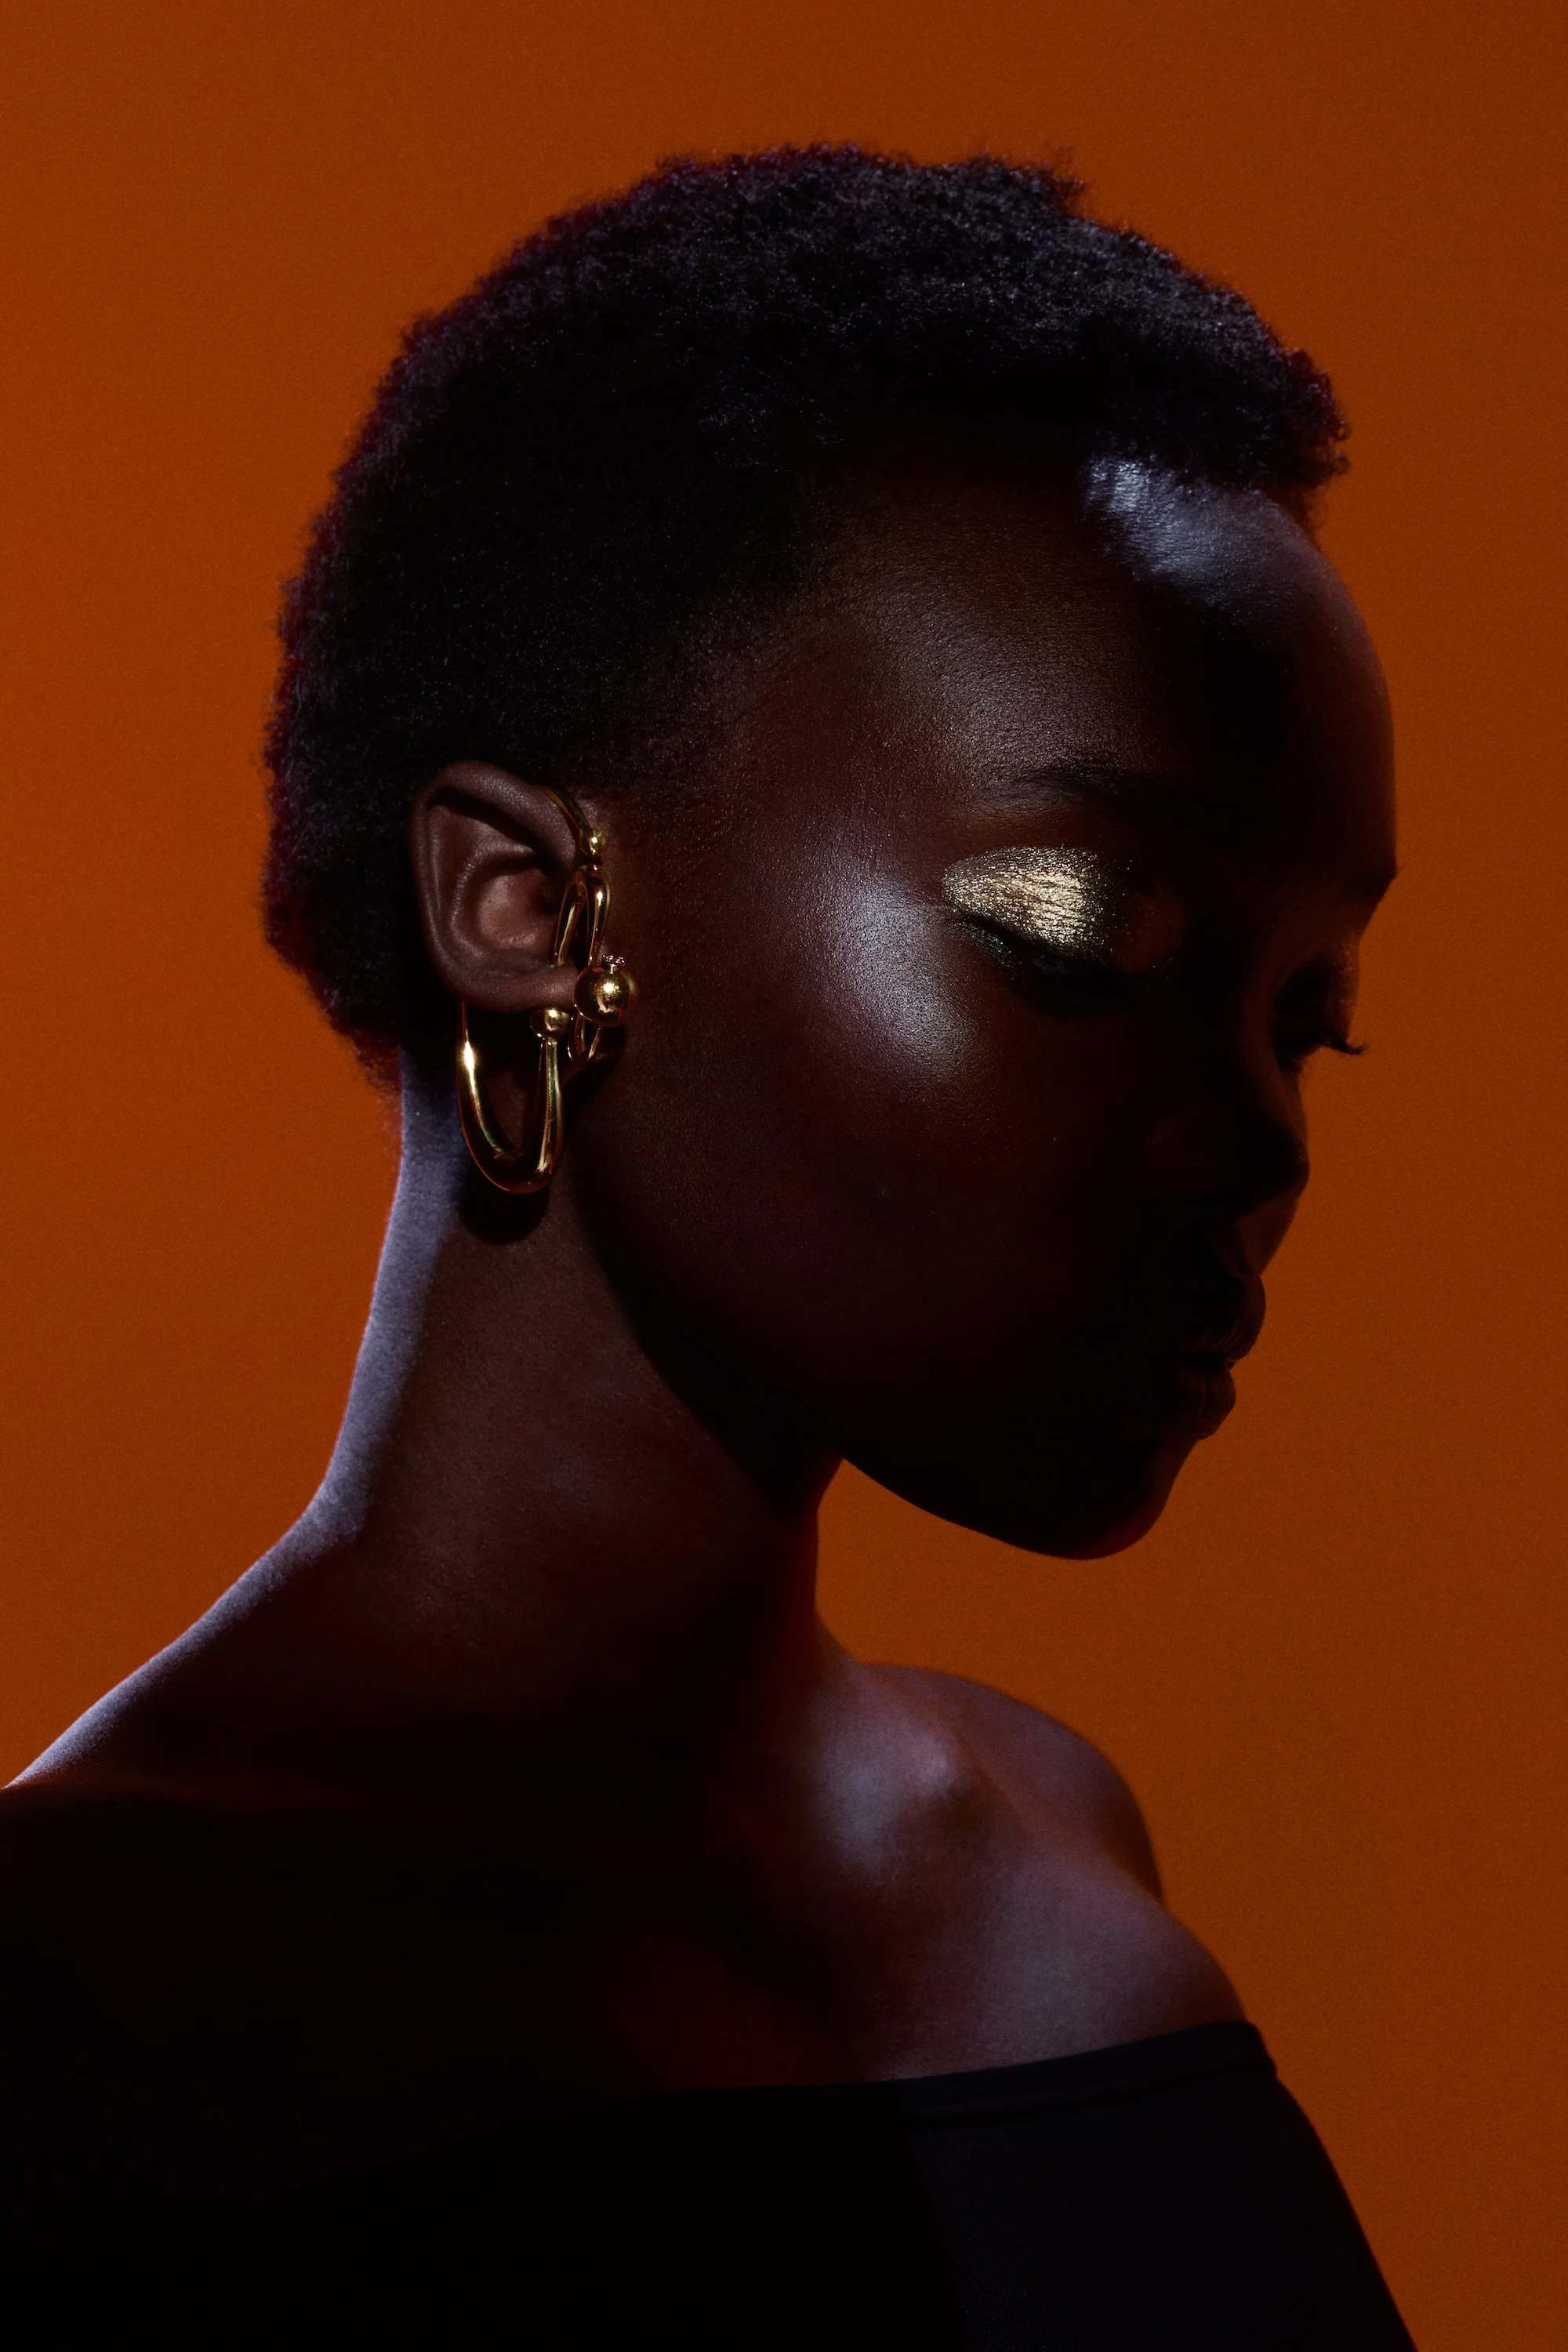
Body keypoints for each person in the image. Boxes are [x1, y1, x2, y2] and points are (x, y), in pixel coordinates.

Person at [1, 148, 1414, 2345]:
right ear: (531, 912)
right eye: (1082, 933)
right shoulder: (83, 2004)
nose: (1256, 1134)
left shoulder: (1045, 1848)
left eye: (1309, 1013)